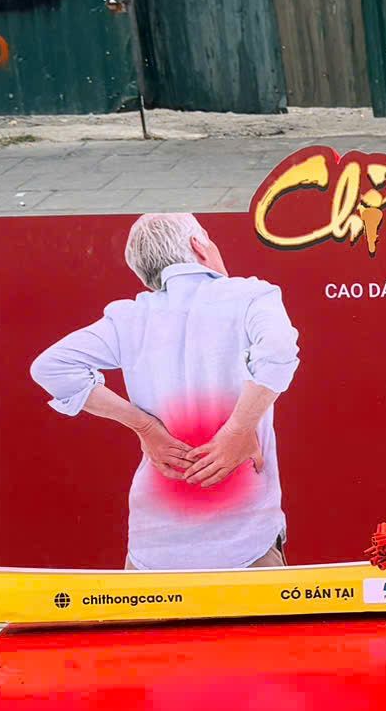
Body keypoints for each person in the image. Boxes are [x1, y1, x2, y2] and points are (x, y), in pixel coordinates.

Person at [30, 212, 300, 571]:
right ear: (199, 246)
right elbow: (279, 351)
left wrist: (145, 427)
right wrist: (238, 429)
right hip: (245, 540)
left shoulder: (130, 318)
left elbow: (51, 367)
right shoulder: (251, 297)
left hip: (154, 545)